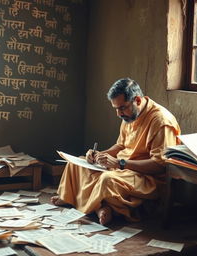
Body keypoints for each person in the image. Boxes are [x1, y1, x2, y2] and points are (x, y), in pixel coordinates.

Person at [51, 78, 181, 225]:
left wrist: (121, 163)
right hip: (122, 167)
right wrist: (99, 155)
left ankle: (93, 205)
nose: (118, 114)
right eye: (116, 109)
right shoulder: (130, 114)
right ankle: (96, 206)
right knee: (77, 164)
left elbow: (160, 165)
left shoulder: (161, 121)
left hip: (146, 177)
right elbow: (120, 146)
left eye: (122, 108)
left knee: (107, 180)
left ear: (137, 100)